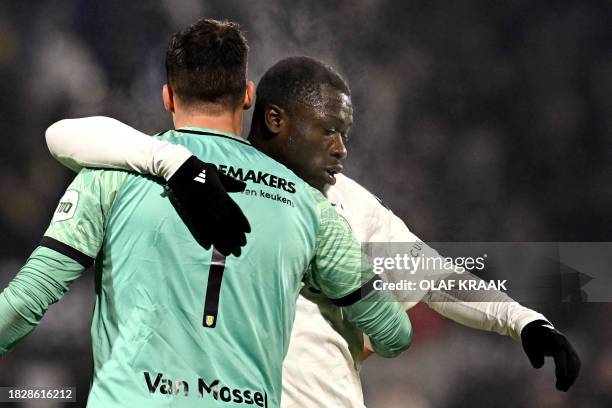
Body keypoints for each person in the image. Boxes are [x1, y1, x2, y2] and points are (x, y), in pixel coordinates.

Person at [45, 57, 580, 406]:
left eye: (344, 134)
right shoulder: (198, 179)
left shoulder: (349, 204)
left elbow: (437, 277)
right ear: (275, 120)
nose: (342, 149)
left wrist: (523, 320)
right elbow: (69, 134)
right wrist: (166, 161)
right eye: (329, 130)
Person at [0, 21, 413, 407]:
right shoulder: (307, 205)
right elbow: (394, 334)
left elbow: (24, 304)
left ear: (167, 96)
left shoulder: (111, 175)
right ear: (248, 96)